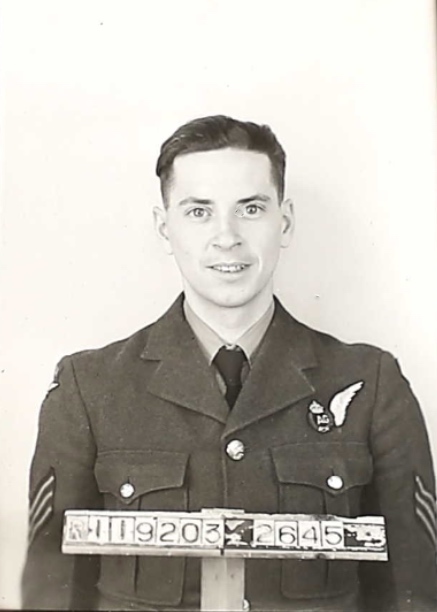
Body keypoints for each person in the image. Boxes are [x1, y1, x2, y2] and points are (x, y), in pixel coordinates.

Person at [22, 115, 437, 611]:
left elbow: (414, 592)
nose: (227, 237)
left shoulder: (370, 384)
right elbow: (51, 592)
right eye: (199, 211)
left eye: (251, 209)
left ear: (284, 222)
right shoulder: (88, 389)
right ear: (164, 227)